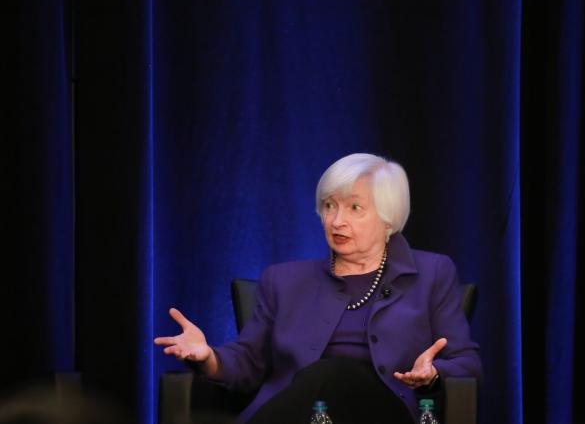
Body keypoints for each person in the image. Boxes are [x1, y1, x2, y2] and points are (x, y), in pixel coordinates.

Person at [154, 153, 482, 424]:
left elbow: (467, 364)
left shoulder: (432, 273)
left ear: (388, 218)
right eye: (329, 206)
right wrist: (209, 356)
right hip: (303, 414)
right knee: (321, 381)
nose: (336, 221)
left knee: (333, 372)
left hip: (386, 413)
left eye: (354, 208)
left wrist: (433, 372)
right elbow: (249, 361)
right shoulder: (282, 281)